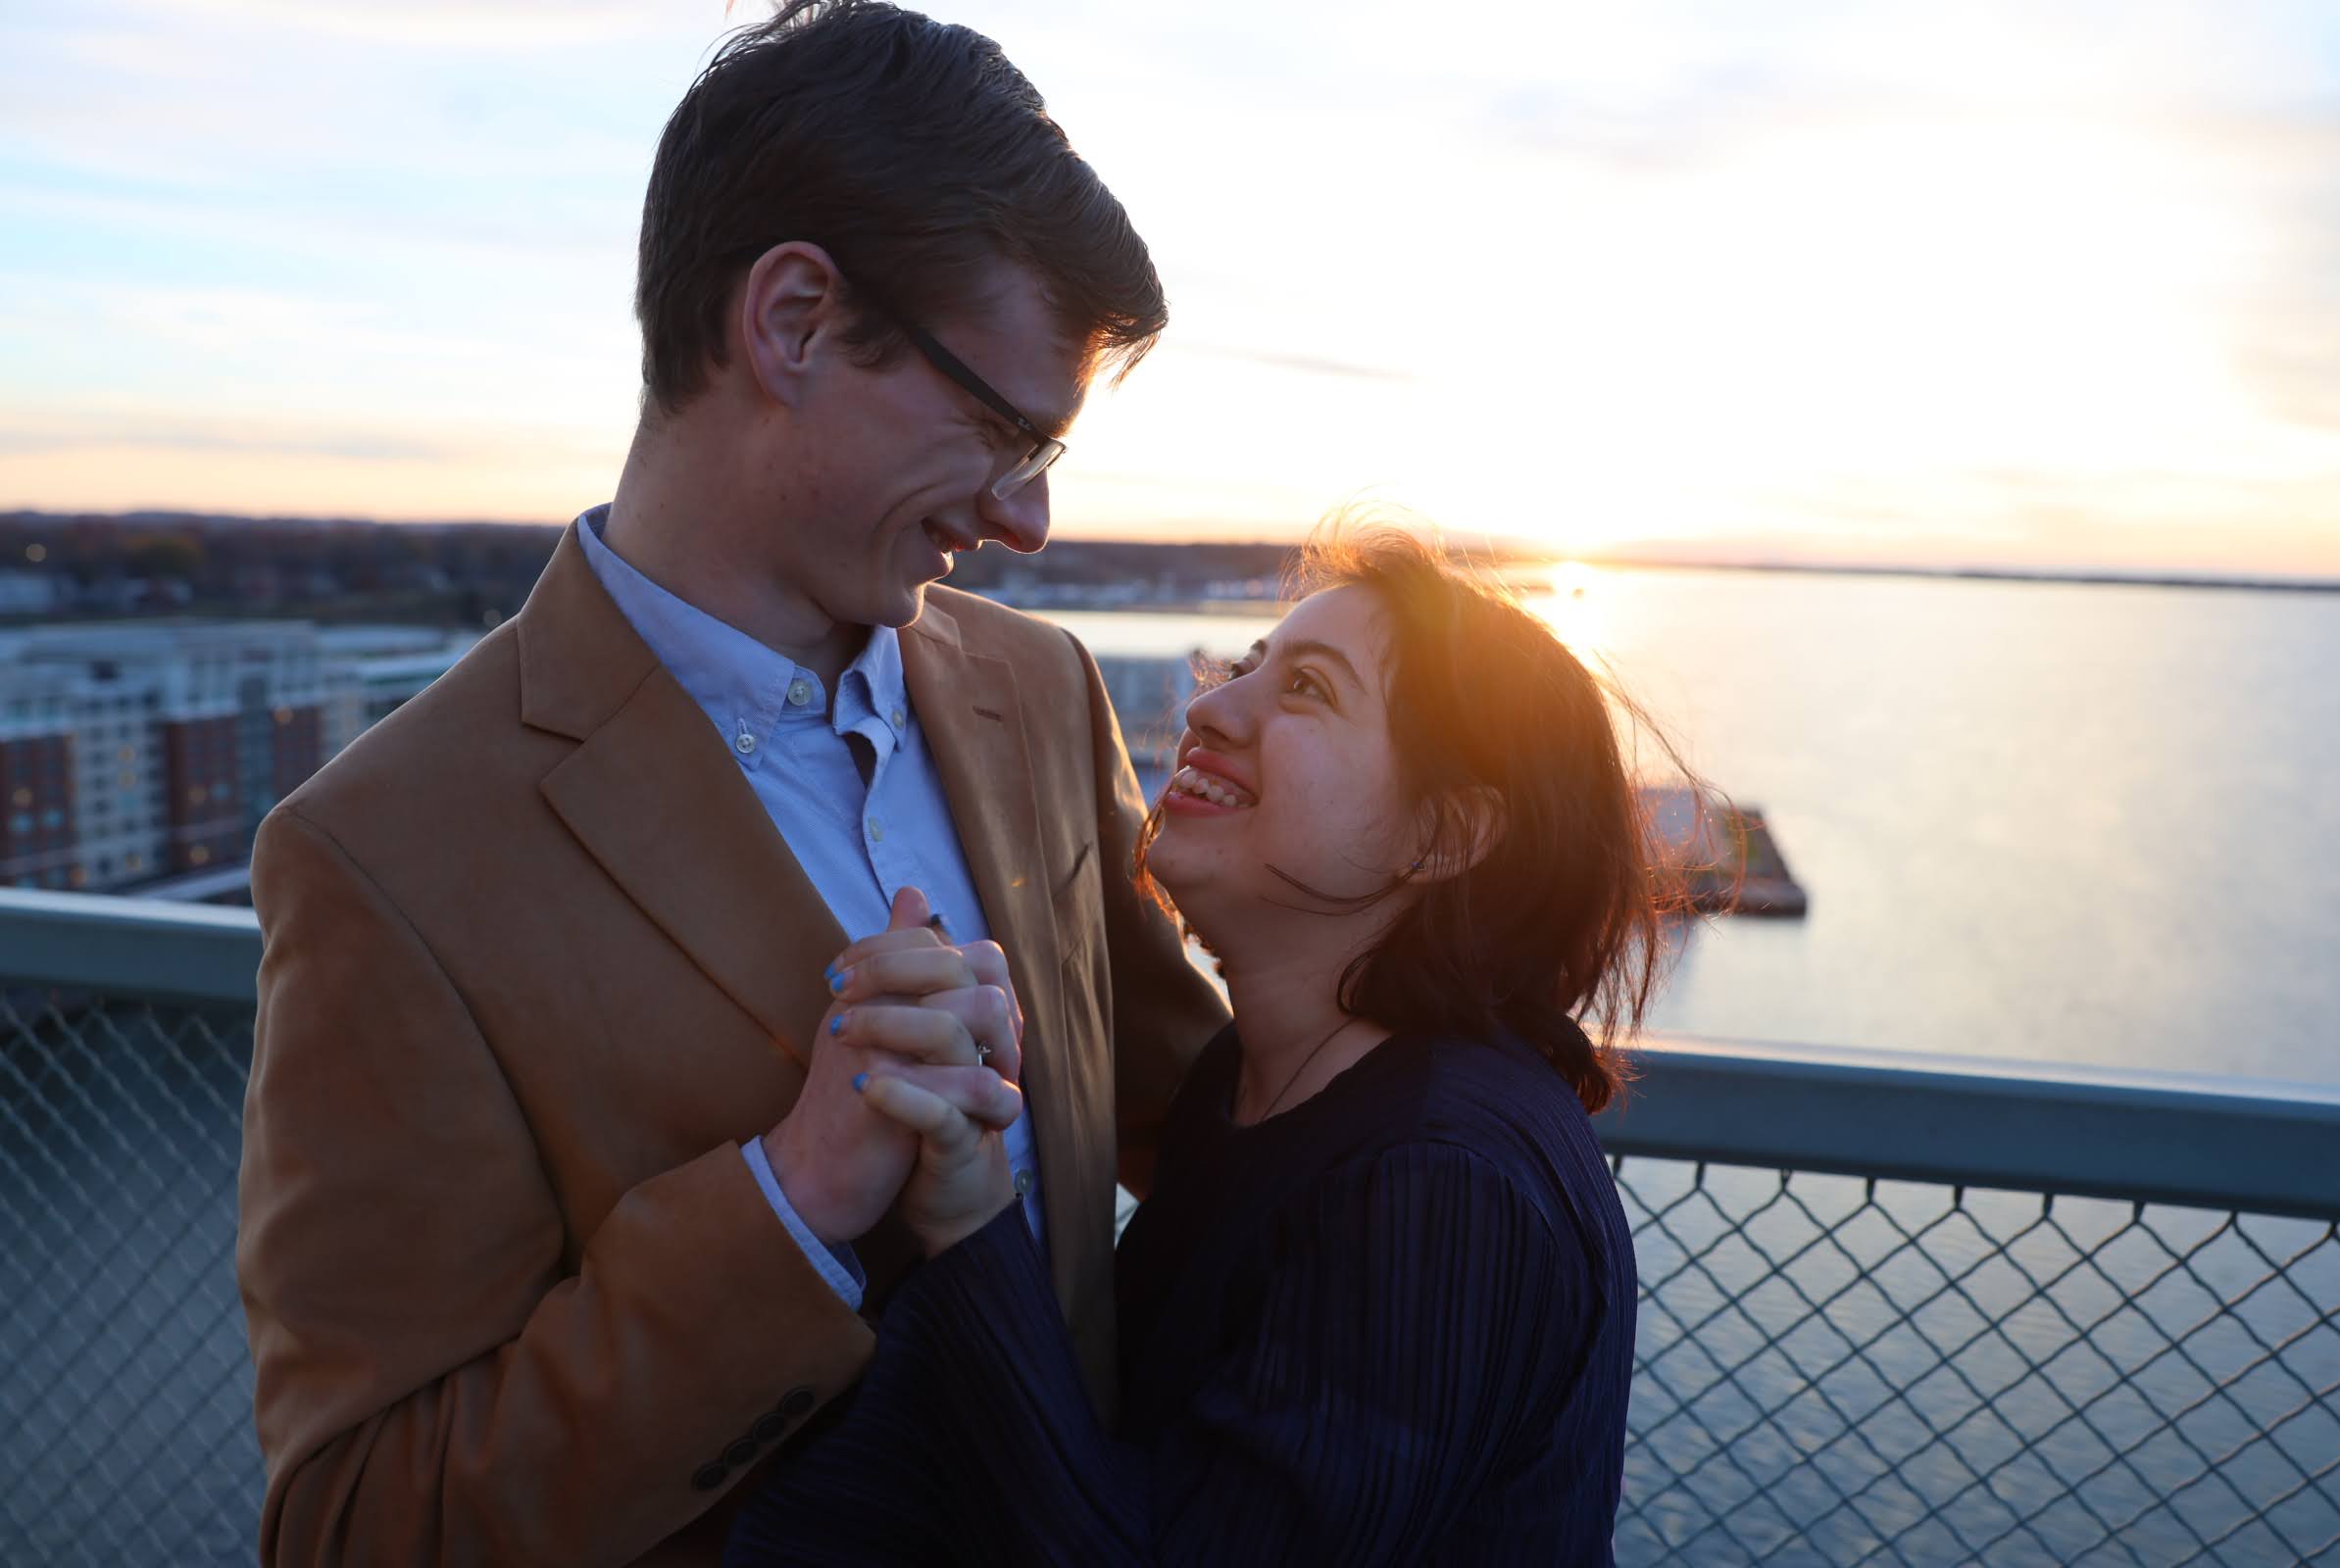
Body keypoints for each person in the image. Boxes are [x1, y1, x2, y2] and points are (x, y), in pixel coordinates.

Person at [233, 3, 1226, 1563]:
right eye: (1001, 431)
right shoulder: (384, 858)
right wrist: (790, 1201)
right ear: (796, 321)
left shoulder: (1041, 692)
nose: (1029, 523)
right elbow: (357, 1523)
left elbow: (1209, 1124)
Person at [726, 526, 1665, 1566]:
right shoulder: (1249, 1083)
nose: (1209, 709)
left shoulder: (1445, 1180)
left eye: (1306, 689)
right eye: (1246, 668)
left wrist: (973, 1215)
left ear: (1441, 836)